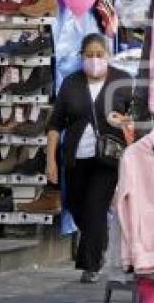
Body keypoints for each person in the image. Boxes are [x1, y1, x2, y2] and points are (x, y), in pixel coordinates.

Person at [46, 33, 133, 283]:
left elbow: (137, 118)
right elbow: (55, 124)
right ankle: (99, 238)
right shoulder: (71, 83)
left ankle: (90, 265)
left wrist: (125, 121)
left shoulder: (123, 81)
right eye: (89, 55)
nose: (94, 60)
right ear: (81, 56)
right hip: (75, 158)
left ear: (108, 55)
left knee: (95, 207)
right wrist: (51, 160)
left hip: (108, 159)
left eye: (99, 55)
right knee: (75, 205)